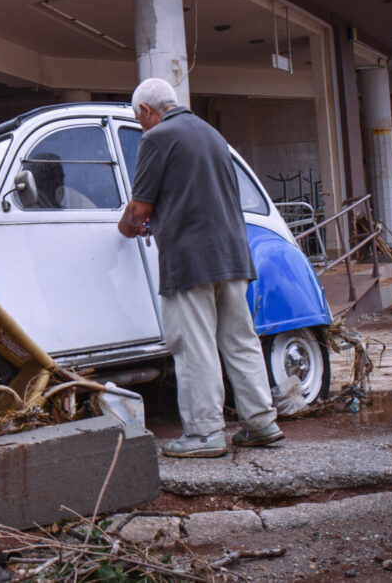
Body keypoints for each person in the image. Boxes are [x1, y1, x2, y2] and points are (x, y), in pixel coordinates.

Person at [118, 77, 283, 458]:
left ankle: (204, 433)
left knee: (193, 345)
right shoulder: (211, 133)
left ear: (146, 110)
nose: (141, 124)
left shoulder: (157, 137)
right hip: (233, 255)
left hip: (190, 258)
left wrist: (127, 226)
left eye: (139, 117)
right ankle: (261, 423)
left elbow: (140, 208)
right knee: (240, 340)